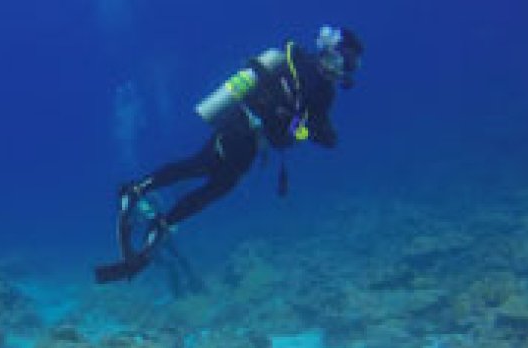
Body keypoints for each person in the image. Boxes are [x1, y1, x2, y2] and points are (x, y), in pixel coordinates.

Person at [94, 25, 363, 284]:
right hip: (240, 129)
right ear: (330, 52)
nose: (344, 69)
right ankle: (137, 192)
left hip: (254, 143)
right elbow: (298, 121)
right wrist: (302, 128)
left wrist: (305, 130)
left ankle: (158, 219)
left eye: (350, 65)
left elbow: (316, 134)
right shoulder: (302, 68)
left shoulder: (323, 91)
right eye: (344, 60)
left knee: (213, 186)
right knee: (201, 168)